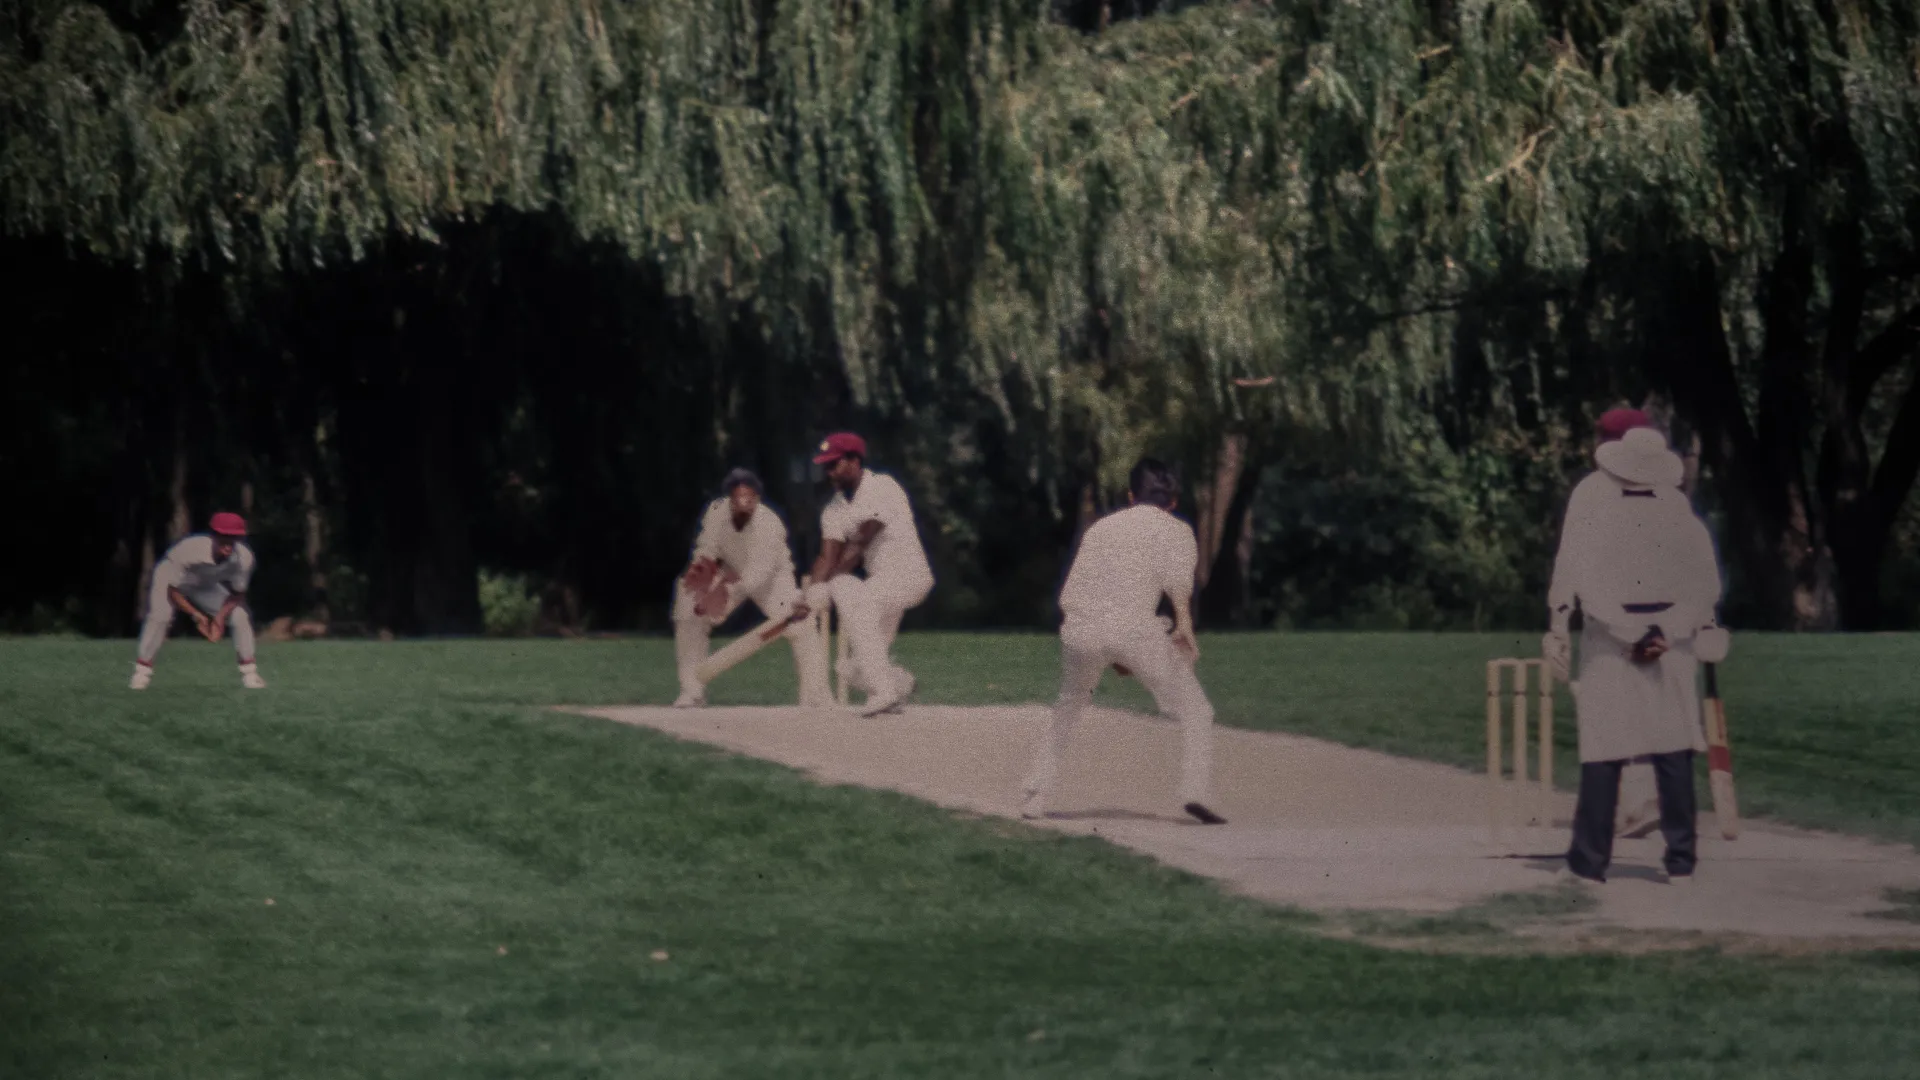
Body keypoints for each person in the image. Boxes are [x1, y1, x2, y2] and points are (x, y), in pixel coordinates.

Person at [1543, 425, 1730, 884]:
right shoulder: (1683, 516)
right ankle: (1681, 862)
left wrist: (1631, 635)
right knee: (1673, 748)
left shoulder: (1600, 510)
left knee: (1606, 751)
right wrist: (1667, 631)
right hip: (1673, 644)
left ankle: (1589, 863)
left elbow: (1587, 583)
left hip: (1613, 642)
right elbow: (1705, 587)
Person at [1020, 457, 1226, 826]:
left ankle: (1037, 793)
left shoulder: (1101, 528)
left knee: (1069, 704)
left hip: (1082, 628)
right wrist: (1184, 625)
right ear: (1173, 501)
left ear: (1131, 496)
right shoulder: (1176, 530)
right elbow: (1177, 585)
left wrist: (1106, 648)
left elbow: (1074, 593)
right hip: (1134, 629)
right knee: (1197, 711)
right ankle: (1194, 790)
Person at [804, 432, 935, 717]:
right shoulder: (833, 509)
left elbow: (859, 544)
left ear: (854, 461)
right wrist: (812, 592)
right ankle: (898, 684)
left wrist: (823, 588)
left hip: (909, 575)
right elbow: (827, 557)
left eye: (834, 464)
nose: (829, 472)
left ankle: (883, 692)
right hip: (880, 583)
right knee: (851, 668)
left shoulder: (883, 487)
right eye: (825, 466)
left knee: (853, 599)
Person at [672, 468, 824, 707]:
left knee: (801, 623)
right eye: (738, 497)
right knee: (688, 608)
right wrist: (701, 574)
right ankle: (692, 690)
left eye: (750, 497)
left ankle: (815, 696)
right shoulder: (716, 512)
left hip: (773, 579)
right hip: (731, 570)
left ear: (757, 498)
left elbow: (756, 576)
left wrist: (722, 594)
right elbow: (707, 548)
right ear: (728, 498)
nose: (744, 502)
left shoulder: (769, 524)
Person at [131, 512, 266, 690]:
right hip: (170, 579)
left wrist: (219, 618)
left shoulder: (244, 558)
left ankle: (250, 674)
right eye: (223, 538)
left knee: (240, 615)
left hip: (204, 584)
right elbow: (174, 592)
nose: (228, 545)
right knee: (161, 616)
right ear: (213, 536)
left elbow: (237, 593)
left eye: (233, 539)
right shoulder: (189, 550)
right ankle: (142, 673)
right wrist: (197, 616)